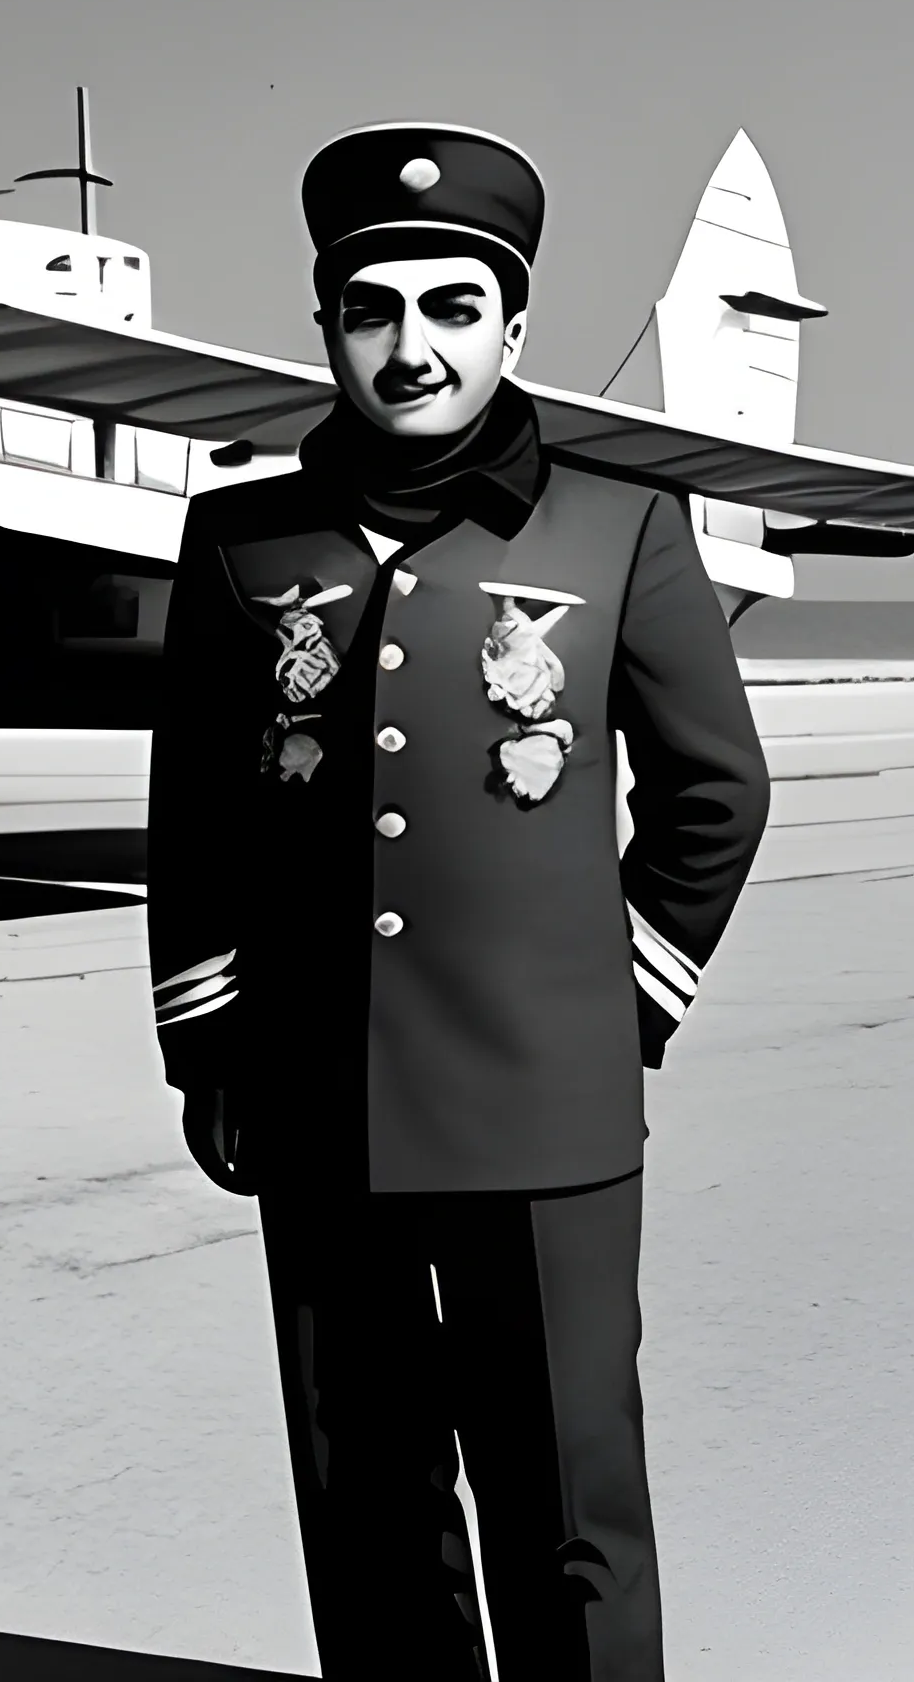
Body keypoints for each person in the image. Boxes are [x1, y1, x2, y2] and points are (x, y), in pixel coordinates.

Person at [146, 123, 770, 1681]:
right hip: (315, 1100)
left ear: (511, 326)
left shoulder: (619, 526)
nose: (411, 346)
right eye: (374, 308)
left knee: (566, 1502)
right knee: (367, 1498)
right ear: (328, 326)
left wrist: (617, 1000)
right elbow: (199, 814)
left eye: (449, 307)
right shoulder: (243, 540)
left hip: (543, 1110)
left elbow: (717, 791)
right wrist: (213, 1045)